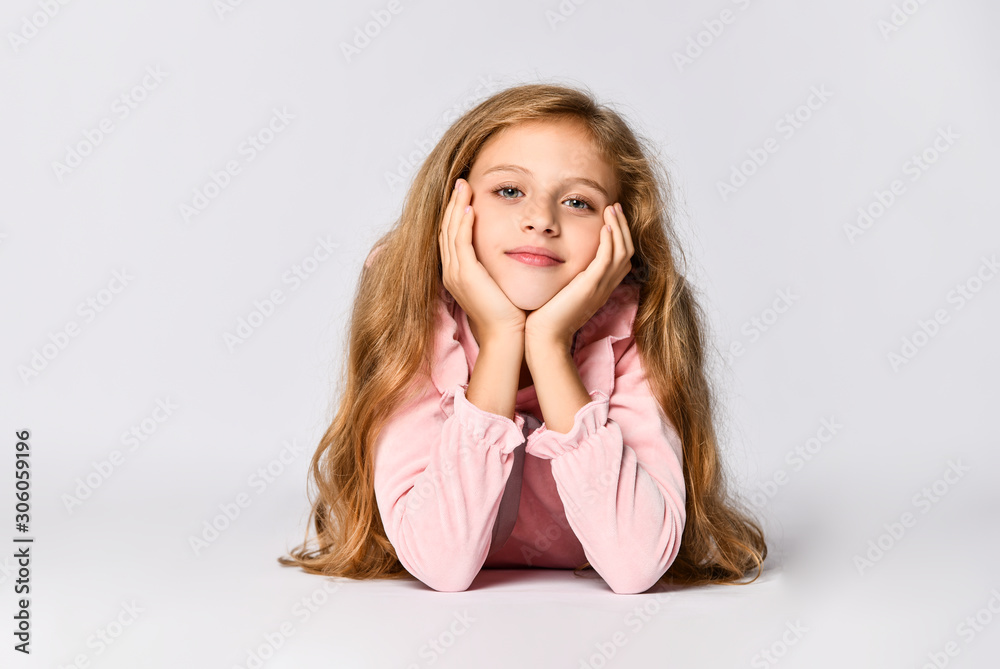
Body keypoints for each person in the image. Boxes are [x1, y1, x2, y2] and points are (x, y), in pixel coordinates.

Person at [279, 82, 766, 594]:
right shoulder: (417, 305)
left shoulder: (638, 319)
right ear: (454, 205)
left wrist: (550, 346)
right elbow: (442, 565)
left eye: (578, 202)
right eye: (509, 191)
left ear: (617, 232)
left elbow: (635, 565)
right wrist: (503, 338)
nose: (540, 220)